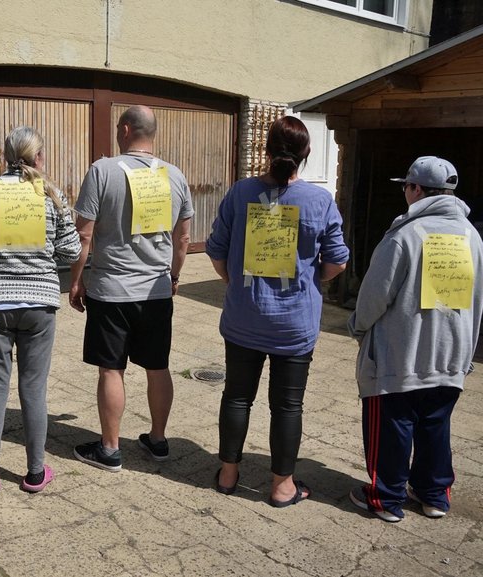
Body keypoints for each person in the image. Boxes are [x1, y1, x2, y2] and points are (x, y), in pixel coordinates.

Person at [205, 116, 349, 506]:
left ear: (265, 150)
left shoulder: (240, 193)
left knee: (237, 396)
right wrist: (310, 281)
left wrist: (234, 281)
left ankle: (229, 474)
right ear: (307, 154)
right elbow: (337, 262)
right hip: (294, 324)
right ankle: (282, 486)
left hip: (243, 318)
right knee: (288, 405)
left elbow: (216, 250)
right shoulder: (319, 201)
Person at [347, 156, 483, 522]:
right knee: (435, 424)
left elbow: (376, 294)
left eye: (406, 186)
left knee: (393, 425)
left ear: (416, 190)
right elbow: (477, 297)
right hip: (450, 353)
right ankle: (433, 494)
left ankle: (385, 498)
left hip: (401, 355)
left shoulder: (405, 234)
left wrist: (358, 327)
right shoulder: (471, 235)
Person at [0, 126, 81, 493]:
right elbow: (72, 251)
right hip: (40, 303)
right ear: (38, 157)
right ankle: (36, 472)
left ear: (6, 155)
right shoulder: (52, 194)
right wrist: (42, 261)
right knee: (34, 389)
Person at [69, 105, 193, 472]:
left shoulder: (102, 170)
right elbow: (183, 238)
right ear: (152, 134)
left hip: (112, 290)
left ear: (124, 130)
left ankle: (109, 449)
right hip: (156, 290)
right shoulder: (176, 176)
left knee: (111, 369)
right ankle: (157, 439)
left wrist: (76, 279)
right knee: (158, 367)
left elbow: (84, 233)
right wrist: (172, 276)